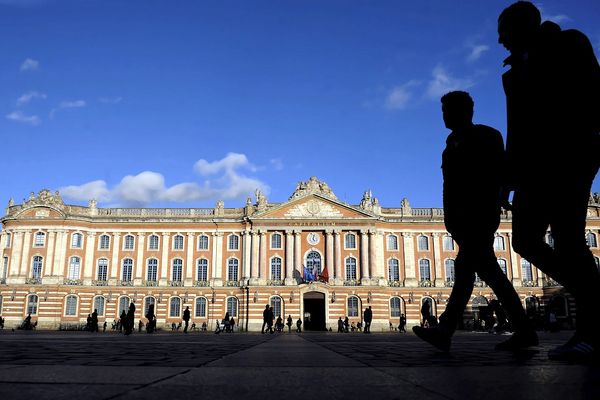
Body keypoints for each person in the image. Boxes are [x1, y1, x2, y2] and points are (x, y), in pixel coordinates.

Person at [498, 1, 600, 361]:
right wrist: (507, 178)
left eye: (504, 32)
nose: (500, 41)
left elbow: (594, 94)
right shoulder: (512, 72)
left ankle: (593, 329)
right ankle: (593, 296)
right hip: (532, 166)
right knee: (524, 239)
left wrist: (590, 143)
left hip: (571, 153)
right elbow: (516, 127)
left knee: (570, 238)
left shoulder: (570, 42)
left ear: (523, 25)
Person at [413, 90, 537, 353]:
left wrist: (501, 197)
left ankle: (446, 329)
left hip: (481, 214)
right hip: (460, 220)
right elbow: (449, 186)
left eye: (448, 110)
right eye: (443, 111)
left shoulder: (487, 136)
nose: (444, 116)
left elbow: (502, 171)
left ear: (465, 111)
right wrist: (449, 219)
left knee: (471, 270)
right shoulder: (450, 143)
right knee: (483, 273)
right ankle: (524, 331)